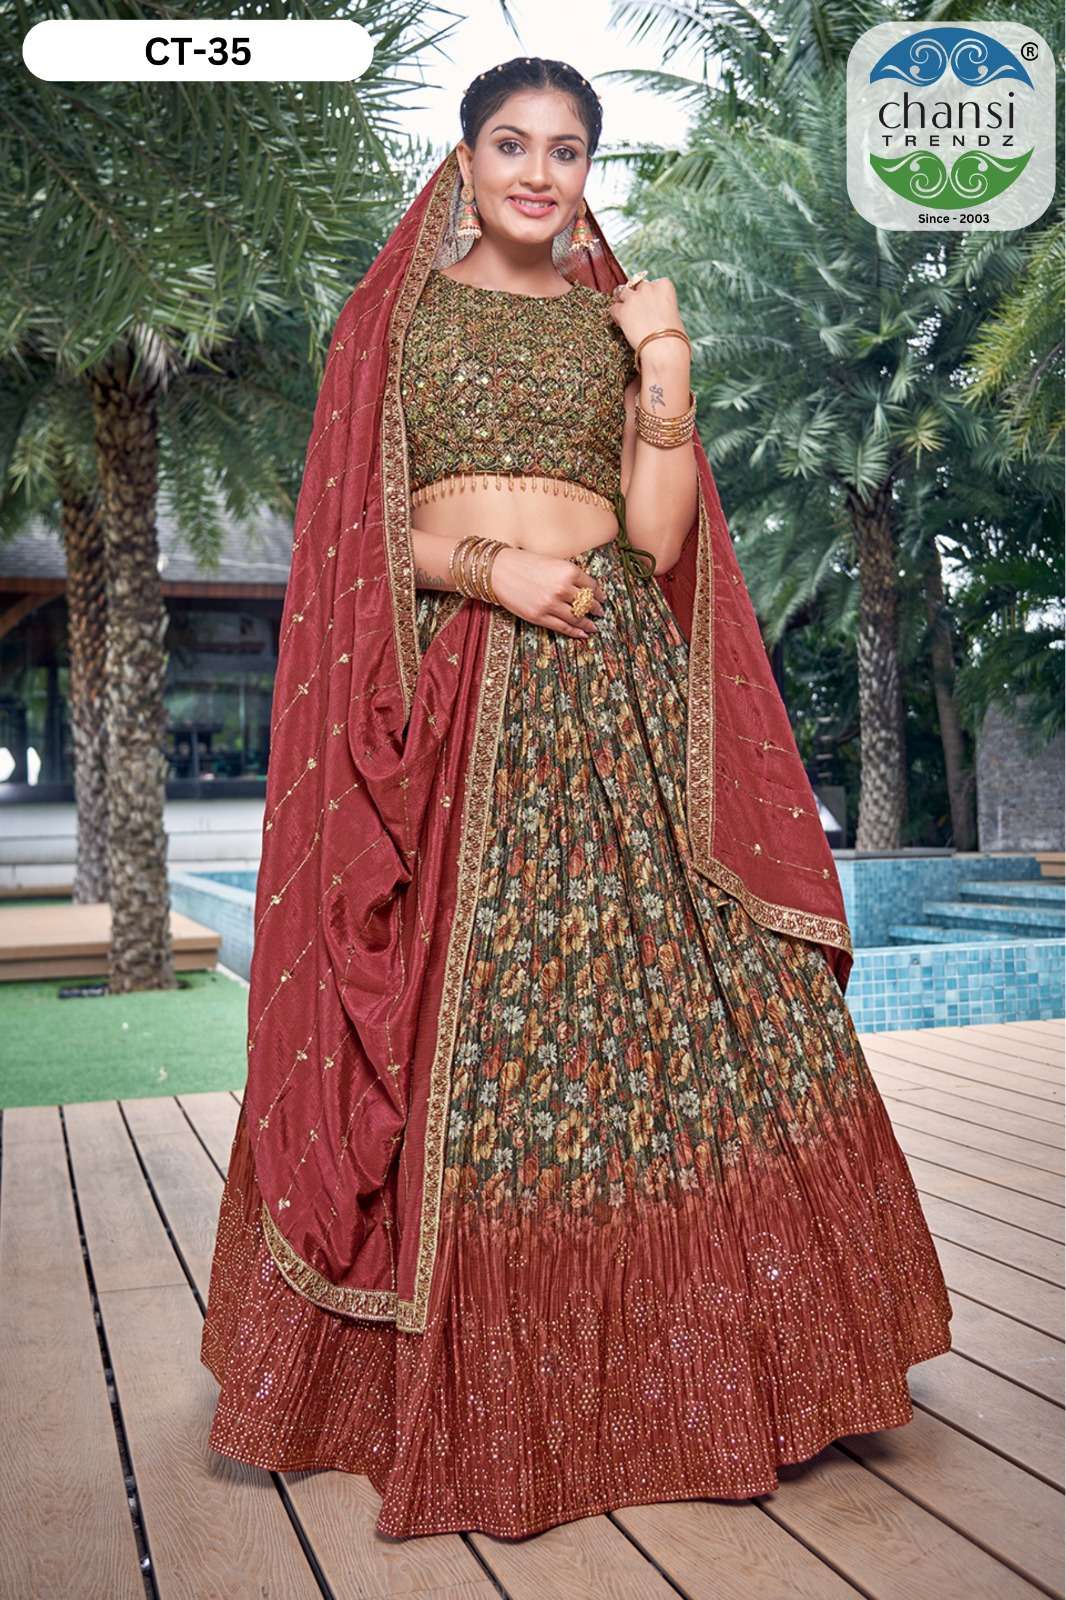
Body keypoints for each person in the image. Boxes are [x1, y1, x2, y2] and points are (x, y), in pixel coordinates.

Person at [200, 57, 953, 1542]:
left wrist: (662, 361)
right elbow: (351, 531)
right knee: (473, 1017)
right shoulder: (395, 319)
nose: (538, 174)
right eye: (511, 144)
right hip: (462, 695)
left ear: (590, 171)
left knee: (682, 1013)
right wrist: (491, 571)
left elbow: (658, 542)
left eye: (566, 150)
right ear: (464, 159)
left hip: (615, 697)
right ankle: (461, 1393)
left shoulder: (619, 323)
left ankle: (706, 1380)